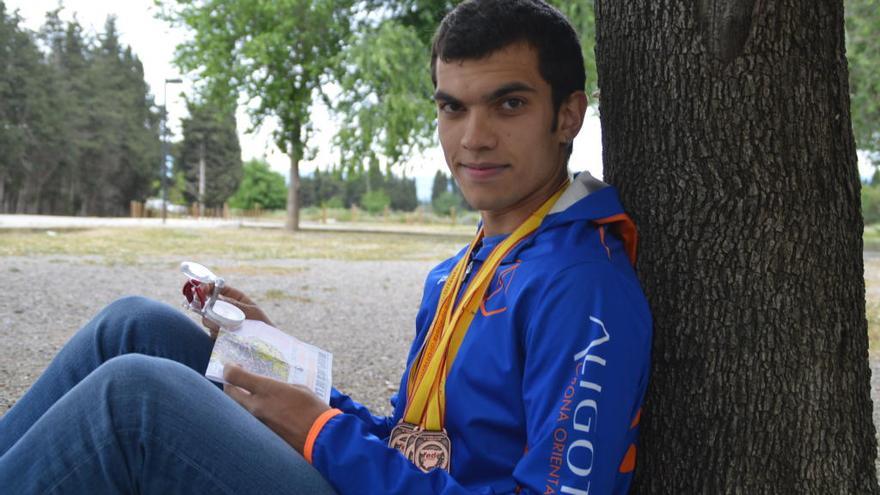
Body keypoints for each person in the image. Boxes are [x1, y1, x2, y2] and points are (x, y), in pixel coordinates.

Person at [0, 0, 652, 493]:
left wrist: (321, 431)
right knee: (132, 326)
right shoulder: (468, 264)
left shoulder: (581, 285)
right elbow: (409, 443)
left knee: (134, 399)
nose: (472, 138)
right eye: (452, 108)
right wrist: (283, 365)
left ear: (567, 115)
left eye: (507, 104)